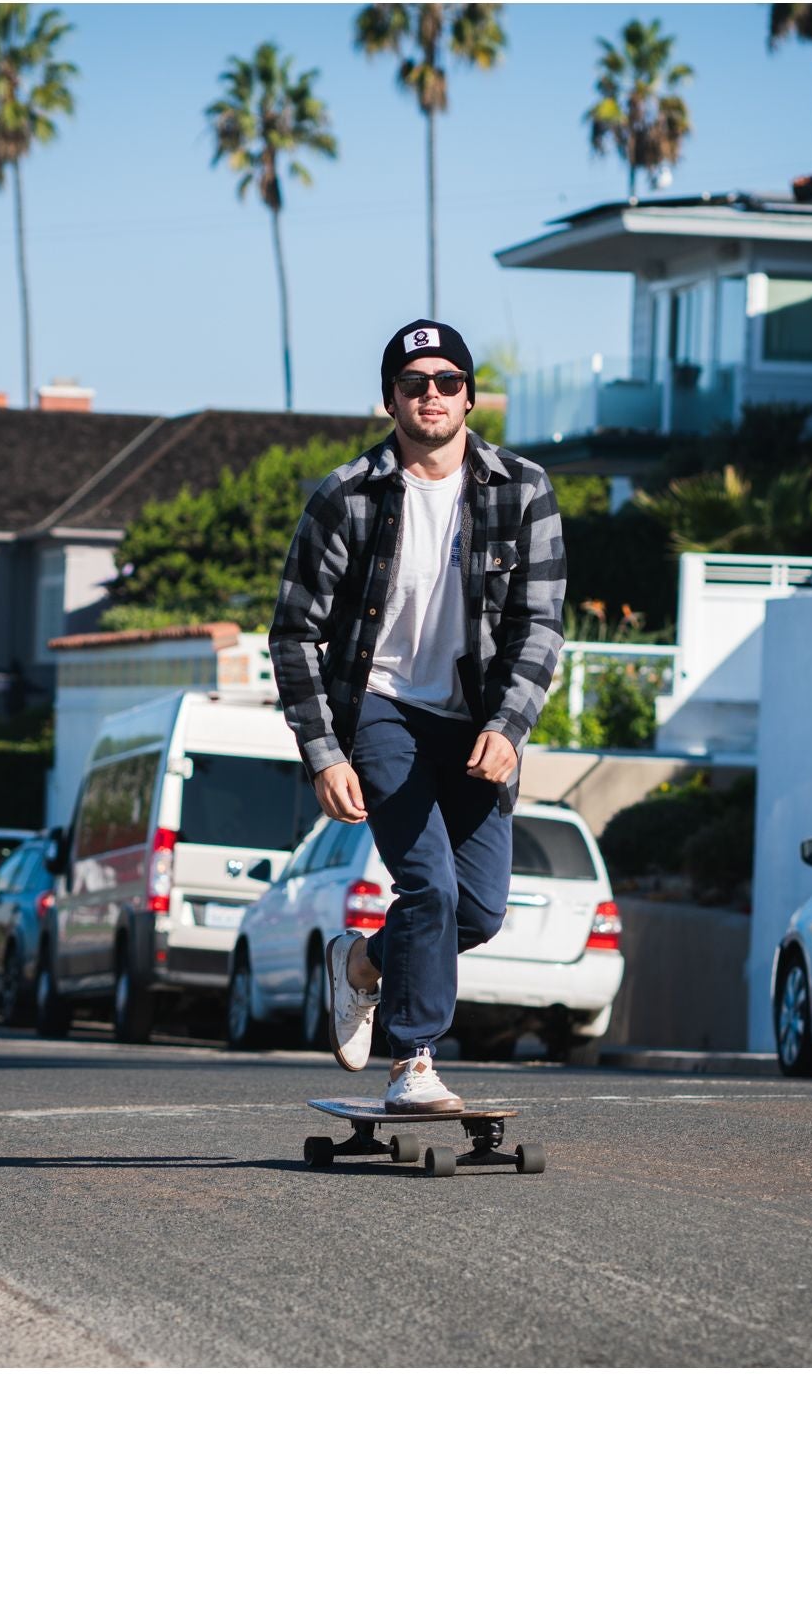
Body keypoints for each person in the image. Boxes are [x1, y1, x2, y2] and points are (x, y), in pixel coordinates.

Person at [269, 319, 565, 1111]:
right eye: (413, 384)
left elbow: (539, 626)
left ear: (470, 395)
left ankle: (361, 965)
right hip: (382, 710)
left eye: (446, 382)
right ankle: (414, 1061)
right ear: (389, 399)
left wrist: (509, 726)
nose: (431, 396)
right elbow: (295, 633)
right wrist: (325, 753)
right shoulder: (346, 497)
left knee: (479, 909)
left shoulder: (522, 489)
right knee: (428, 888)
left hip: (476, 722)